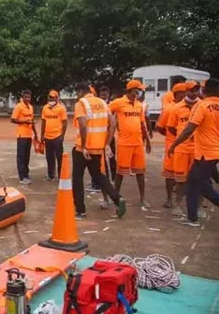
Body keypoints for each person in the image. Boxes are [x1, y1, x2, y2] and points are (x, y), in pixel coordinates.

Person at [168, 78, 219, 227]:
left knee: (203, 185)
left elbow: (189, 129)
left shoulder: (202, 106)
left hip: (205, 153)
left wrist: (174, 145)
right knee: (192, 183)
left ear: (205, 90)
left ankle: (192, 216)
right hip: (211, 152)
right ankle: (192, 217)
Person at [71, 83, 126, 219]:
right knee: (98, 175)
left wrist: (83, 147)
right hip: (98, 148)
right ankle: (117, 198)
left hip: (82, 149)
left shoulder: (81, 103)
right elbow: (113, 124)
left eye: (77, 92)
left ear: (81, 91)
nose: (77, 95)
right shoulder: (102, 102)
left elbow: (83, 126)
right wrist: (107, 144)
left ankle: (80, 210)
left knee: (77, 178)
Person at [109, 80, 152, 209]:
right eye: (137, 90)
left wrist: (148, 141)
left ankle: (143, 199)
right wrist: (110, 125)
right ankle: (115, 196)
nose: (139, 92)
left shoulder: (139, 105)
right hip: (124, 143)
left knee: (140, 172)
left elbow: (142, 124)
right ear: (131, 90)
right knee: (120, 173)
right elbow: (107, 113)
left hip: (138, 143)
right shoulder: (118, 103)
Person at [167, 81, 202, 217]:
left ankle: (198, 208)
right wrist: (180, 139)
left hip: (198, 149)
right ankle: (178, 205)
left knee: (199, 180)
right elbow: (170, 127)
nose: (194, 93)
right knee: (180, 180)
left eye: (196, 90)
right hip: (181, 149)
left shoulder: (202, 106)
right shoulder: (176, 108)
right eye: (192, 90)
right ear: (186, 91)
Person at [156, 83, 187, 209]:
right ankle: (169, 199)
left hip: (188, 147)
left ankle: (183, 199)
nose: (186, 94)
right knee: (170, 174)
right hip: (172, 146)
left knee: (187, 174)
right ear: (177, 93)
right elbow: (160, 127)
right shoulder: (169, 108)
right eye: (184, 92)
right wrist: (172, 137)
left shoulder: (194, 106)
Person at [11, 90, 38, 185]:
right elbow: (13, 119)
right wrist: (24, 122)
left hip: (29, 135)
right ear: (22, 97)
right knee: (21, 156)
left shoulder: (30, 107)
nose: (27, 99)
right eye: (26, 97)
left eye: (29, 97)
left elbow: (32, 120)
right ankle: (22, 177)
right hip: (21, 135)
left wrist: (36, 134)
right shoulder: (19, 107)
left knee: (27, 156)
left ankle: (26, 174)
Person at [40, 90, 67, 182]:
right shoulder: (45, 108)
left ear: (56, 98)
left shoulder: (61, 109)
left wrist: (62, 135)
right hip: (47, 136)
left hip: (57, 136)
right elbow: (43, 122)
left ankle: (60, 176)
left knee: (59, 157)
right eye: (49, 97)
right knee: (49, 157)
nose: (50, 99)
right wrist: (42, 135)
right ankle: (51, 175)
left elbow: (64, 122)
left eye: (52, 97)